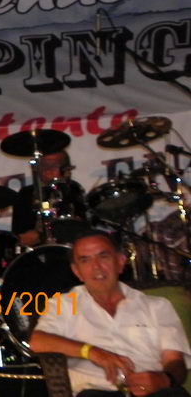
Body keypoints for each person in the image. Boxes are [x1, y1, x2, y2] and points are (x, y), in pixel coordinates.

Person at [30, 230, 191, 397]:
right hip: (97, 392)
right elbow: (38, 341)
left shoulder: (157, 305)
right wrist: (92, 352)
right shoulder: (62, 303)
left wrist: (164, 379)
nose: (96, 267)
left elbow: (175, 361)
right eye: (85, 260)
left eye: (103, 256)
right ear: (76, 271)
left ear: (120, 262)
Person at [12, 150, 88, 246]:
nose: (47, 169)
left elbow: (80, 229)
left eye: (53, 165)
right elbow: (20, 234)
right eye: (43, 165)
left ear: (66, 170)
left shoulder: (74, 190)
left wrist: (42, 235)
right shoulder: (26, 193)